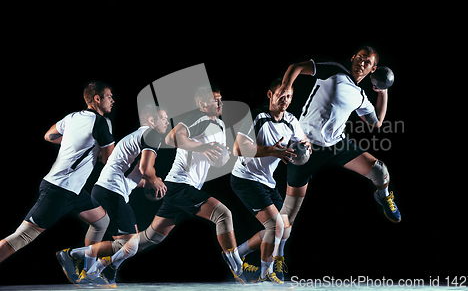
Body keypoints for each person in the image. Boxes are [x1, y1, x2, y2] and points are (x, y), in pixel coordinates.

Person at [79, 85, 257, 284]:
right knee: (223, 215)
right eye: (214, 99)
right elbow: (174, 137)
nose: (219, 103)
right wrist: (203, 147)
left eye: (220, 99)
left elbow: (216, 157)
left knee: (147, 239)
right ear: (201, 104)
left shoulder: (221, 126)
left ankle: (105, 265)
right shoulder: (196, 119)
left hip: (184, 188)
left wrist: (220, 157)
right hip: (181, 185)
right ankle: (238, 268)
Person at [274, 47, 401, 254]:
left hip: (336, 145)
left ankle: (384, 196)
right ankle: (277, 256)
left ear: (372, 69)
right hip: (305, 145)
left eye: (366, 62)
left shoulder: (360, 96)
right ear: (353, 57)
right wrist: (287, 86)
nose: (361, 62)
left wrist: (383, 92)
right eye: (359, 58)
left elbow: (376, 122)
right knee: (289, 211)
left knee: (380, 171)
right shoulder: (334, 70)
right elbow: (295, 67)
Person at [0, 82, 115, 265]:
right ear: (97, 98)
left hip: (74, 191)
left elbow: (49, 135)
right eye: (109, 96)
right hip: (59, 189)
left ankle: (88, 271)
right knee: (22, 237)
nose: (113, 100)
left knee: (101, 222)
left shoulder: (72, 117)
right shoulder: (100, 123)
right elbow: (109, 161)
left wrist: (72, 143)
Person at [56, 105, 169, 287]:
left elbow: (136, 176)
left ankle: (94, 270)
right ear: (151, 121)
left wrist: (150, 181)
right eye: (163, 118)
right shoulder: (152, 135)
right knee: (131, 244)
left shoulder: (138, 136)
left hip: (106, 189)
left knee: (128, 245)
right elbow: (145, 169)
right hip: (111, 190)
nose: (166, 121)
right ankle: (80, 260)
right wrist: (155, 180)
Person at [231, 79, 310, 284]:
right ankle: (266, 272)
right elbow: (237, 148)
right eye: (281, 95)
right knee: (275, 226)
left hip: (267, 181)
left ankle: (237, 254)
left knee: (285, 228)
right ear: (270, 95)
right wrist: (272, 151)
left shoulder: (291, 120)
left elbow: (303, 141)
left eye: (289, 97)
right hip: (245, 178)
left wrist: (305, 147)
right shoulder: (256, 117)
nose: (285, 100)